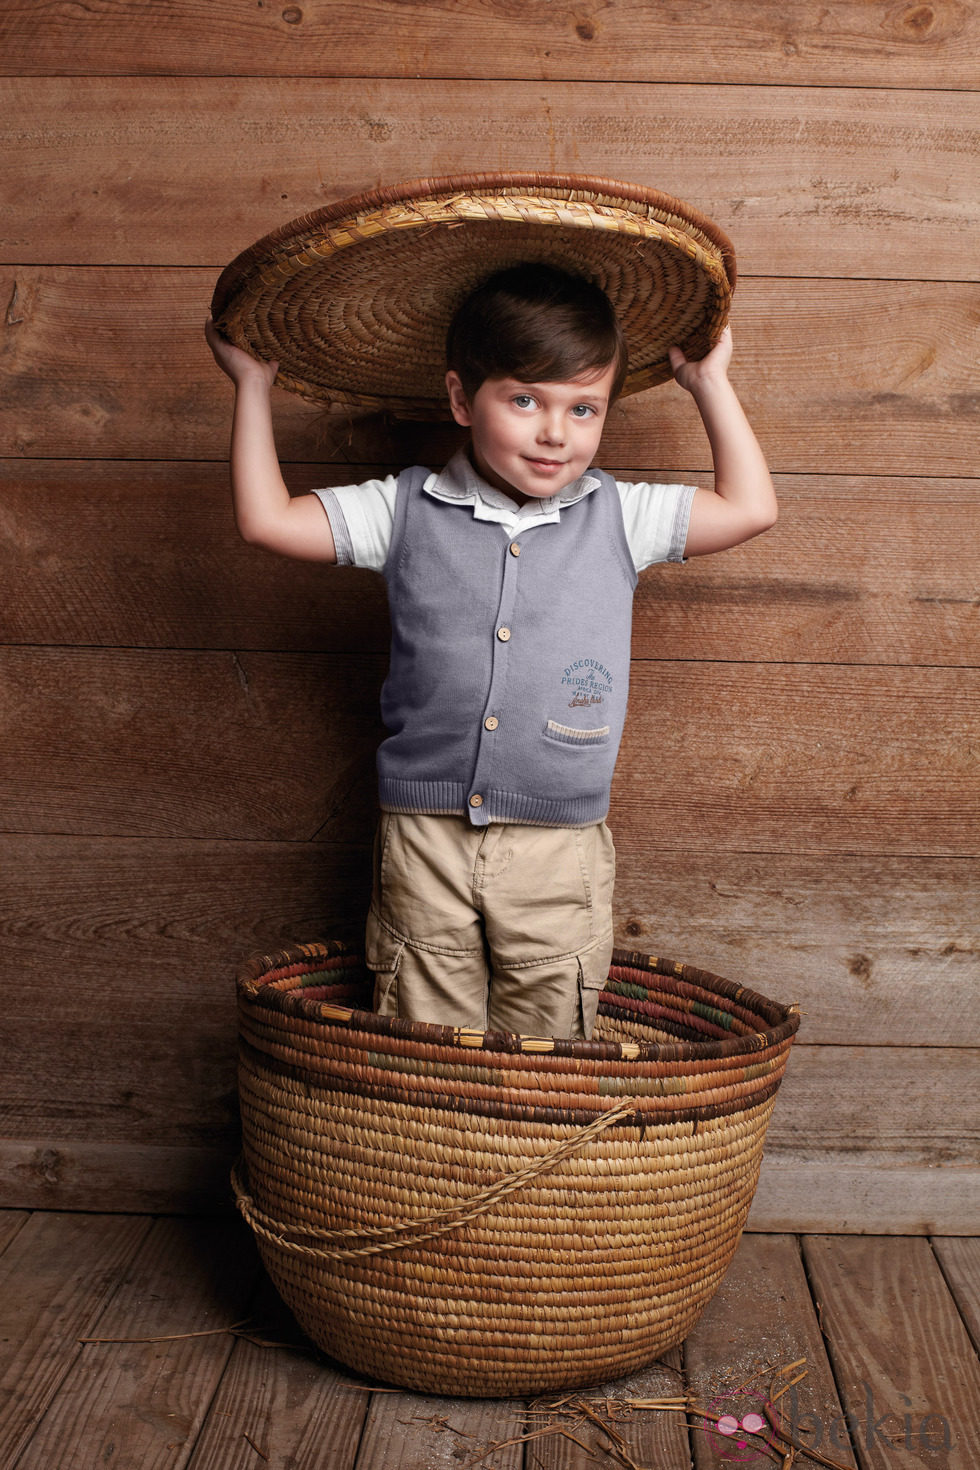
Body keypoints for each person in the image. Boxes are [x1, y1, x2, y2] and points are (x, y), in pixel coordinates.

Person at [205, 262, 776, 1040]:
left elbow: (750, 507)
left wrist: (709, 384)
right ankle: (429, 1164)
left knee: (547, 1041)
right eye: (524, 400)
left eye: (584, 408)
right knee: (422, 1040)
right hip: (424, 837)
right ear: (459, 399)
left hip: (560, 848)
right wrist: (251, 387)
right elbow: (267, 521)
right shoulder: (404, 507)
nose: (555, 433)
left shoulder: (620, 516)